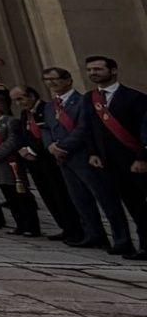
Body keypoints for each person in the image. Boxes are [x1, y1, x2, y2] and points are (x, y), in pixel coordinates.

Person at [45, 66, 123, 251]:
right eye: (47, 80)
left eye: (55, 79)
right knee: (80, 200)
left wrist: (64, 146)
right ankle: (94, 235)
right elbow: (47, 128)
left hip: (84, 156)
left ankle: (121, 239)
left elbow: (84, 128)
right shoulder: (50, 106)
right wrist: (51, 146)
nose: (51, 83)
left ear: (68, 80)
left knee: (105, 199)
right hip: (64, 160)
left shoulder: (82, 101)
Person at [82, 55, 146, 259]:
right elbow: (90, 128)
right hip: (108, 162)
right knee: (128, 204)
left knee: (142, 205)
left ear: (113, 71)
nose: (94, 73)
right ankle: (126, 243)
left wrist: (142, 157)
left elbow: (145, 131)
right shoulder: (89, 98)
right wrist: (93, 153)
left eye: (98, 69)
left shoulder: (135, 98)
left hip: (134, 160)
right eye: (90, 70)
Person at [15, 84, 78, 241]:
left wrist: (34, 150)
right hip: (35, 162)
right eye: (15, 100)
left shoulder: (46, 109)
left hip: (50, 159)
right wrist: (24, 149)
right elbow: (23, 134)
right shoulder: (25, 114)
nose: (18, 103)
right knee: (48, 195)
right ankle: (64, 226)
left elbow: (49, 132)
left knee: (60, 194)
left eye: (20, 98)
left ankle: (74, 227)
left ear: (32, 96)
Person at [0, 90, 36, 236]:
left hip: (9, 162)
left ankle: (31, 226)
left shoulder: (10, 121)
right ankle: (20, 224)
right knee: (9, 196)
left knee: (20, 195)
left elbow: (11, 142)